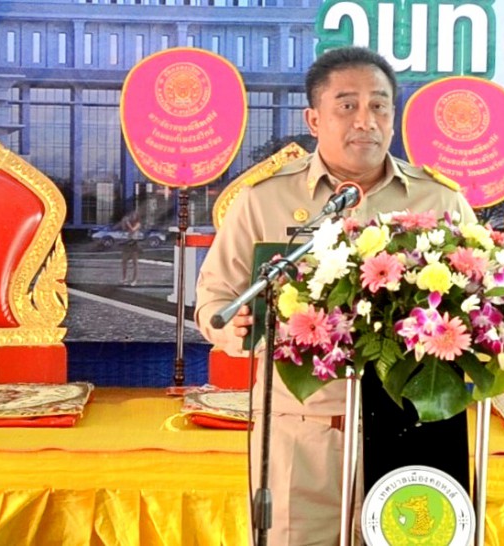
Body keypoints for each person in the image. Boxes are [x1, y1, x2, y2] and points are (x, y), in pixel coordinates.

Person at [195, 46, 477, 545]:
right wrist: (234, 329)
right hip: (304, 437)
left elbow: (479, 299)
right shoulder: (264, 200)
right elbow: (216, 299)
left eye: (379, 106)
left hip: (414, 432)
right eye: (347, 105)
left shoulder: (440, 200)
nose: (365, 120)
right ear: (313, 119)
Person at [120, 210, 141, 286]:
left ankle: (134, 279)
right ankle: (124, 278)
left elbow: (132, 230)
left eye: (134, 215)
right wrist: (123, 222)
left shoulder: (138, 224)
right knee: (124, 262)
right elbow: (124, 229)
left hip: (134, 243)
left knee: (135, 263)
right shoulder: (128, 223)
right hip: (127, 243)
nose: (132, 217)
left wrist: (127, 223)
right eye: (131, 215)